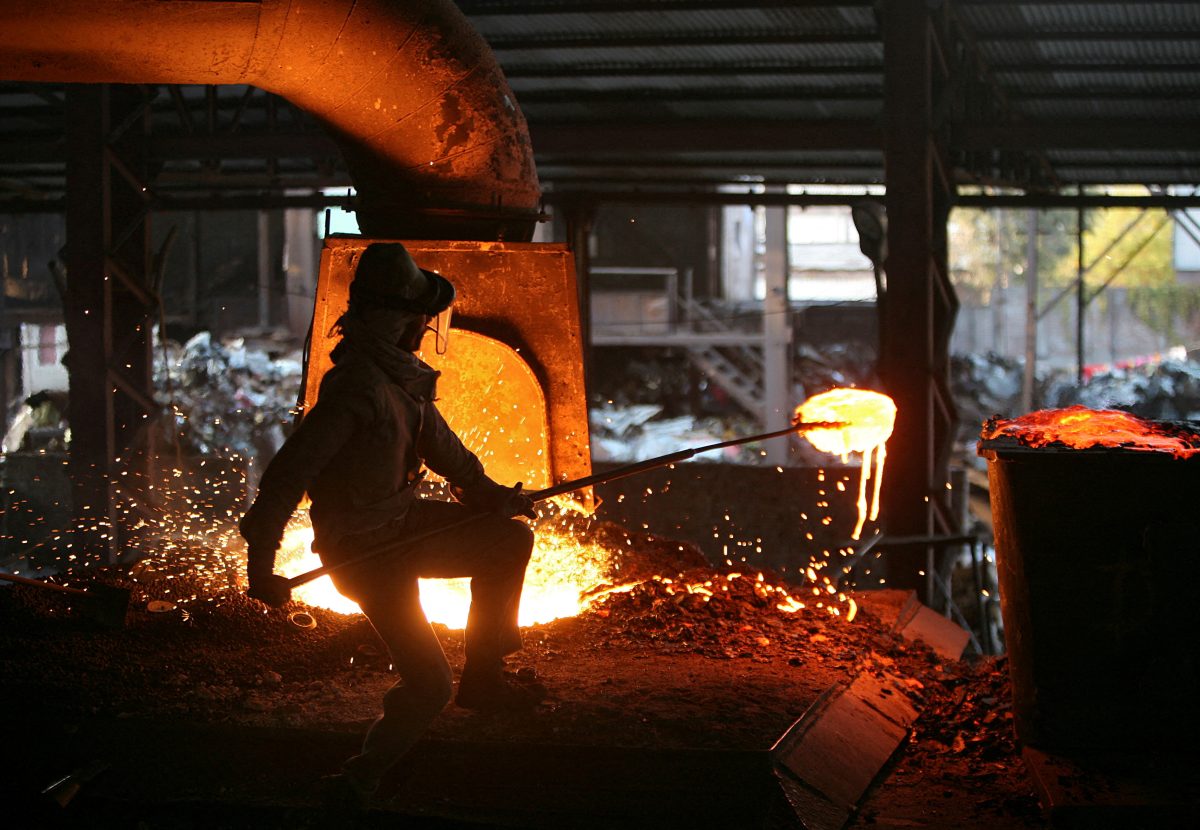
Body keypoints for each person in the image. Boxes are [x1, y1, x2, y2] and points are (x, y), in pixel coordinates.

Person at [238, 242, 542, 807]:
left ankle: (485, 674)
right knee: (429, 686)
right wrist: (260, 568)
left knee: (507, 540)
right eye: (418, 322)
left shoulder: (403, 384)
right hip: (365, 554)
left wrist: (495, 497)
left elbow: (452, 457)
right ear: (395, 321)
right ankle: (356, 781)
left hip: (402, 527)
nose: (423, 332)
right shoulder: (357, 392)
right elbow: (283, 481)